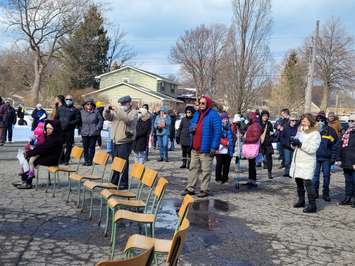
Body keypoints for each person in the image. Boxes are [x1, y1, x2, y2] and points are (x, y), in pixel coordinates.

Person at [181, 96, 221, 198]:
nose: (201, 105)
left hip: (206, 148)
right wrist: (192, 128)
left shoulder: (214, 115)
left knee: (205, 170)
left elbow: (217, 132)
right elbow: (191, 125)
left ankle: (204, 189)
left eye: (203, 103)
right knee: (193, 168)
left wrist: (214, 147)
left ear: (207, 104)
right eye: (200, 103)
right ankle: (190, 188)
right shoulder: (197, 114)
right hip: (195, 147)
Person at [17, 120, 63, 189]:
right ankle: (25, 180)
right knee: (28, 158)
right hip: (48, 155)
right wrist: (30, 151)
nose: (47, 130)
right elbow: (41, 147)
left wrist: (29, 153)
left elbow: (43, 149)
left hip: (52, 159)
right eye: (47, 128)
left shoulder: (55, 138)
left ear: (55, 129)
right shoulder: (50, 136)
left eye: (50, 128)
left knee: (30, 160)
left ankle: (27, 183)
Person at [104, 96, 138, 189]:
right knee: (116, 162)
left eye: (124, 104)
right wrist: (107, 111)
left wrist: (119, 110)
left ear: (129, 103)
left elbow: (127, 120)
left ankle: (124, 183)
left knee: (123, 162)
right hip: (115, 140)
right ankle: (114, 180)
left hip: (125, 140)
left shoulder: (133, 113)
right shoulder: (118, 112)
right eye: (121, 104)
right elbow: (108, 118)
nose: (122, 106)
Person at [290, 113, 321, 213]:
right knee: (298, 182)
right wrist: (293, 143)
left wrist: (301, 144)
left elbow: (313, 149)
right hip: (298, 161)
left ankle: (312, 205)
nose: (303, 121)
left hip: (307, 161)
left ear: (310, 121)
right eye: (302, 120)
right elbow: (295, 145)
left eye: (305, 120)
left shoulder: (315, 133)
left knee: (307, 183)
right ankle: (301, 200)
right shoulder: (300, 130)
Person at [312, 111, 338, 202]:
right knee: (315, 177)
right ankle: (315, 193)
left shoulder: (331, 131)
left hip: (326, 158)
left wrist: (333, 157)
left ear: (325, 120)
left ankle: (326, 193)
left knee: (326, 176)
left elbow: (335, 145)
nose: (320, 121)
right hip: (315, 157)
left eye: (322, 119)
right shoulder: (313, 130)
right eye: (318, 119)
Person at [54, 95, 81, 165]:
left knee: (69, 146)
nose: (68, 100)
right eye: (67, 99)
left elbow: (78, 120)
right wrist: (57, 124)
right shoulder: (60, 108)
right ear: (65, 100)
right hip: (60, 130)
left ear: (72, 101)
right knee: (59, 145)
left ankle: (66, 160)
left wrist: (70, 123)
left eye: (70, 99)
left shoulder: (75, 110)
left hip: (69, 131)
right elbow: (56, 118)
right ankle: (61, 159)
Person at [337, 114, 355, 207]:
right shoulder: (345, 132)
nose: (352, 123)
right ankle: (347, 198)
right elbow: (340, 146)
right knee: (348, 181)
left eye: (354, 121)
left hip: (353, 161)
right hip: (346, 160)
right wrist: (339, 158)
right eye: (350, 121)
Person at [80, 98, 103, 166]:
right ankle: (86, 160)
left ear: (93, 105)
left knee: (92, 147)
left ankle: (90, 161)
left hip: (93, 132)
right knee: (85, 147)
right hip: (84, 132)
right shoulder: (81, 112)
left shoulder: (96, 112)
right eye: (87, 104)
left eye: (91, 104)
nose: (89, 105)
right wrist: (80, 128)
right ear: (84, 105)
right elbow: (78, 120)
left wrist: (98, 127)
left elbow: (100, 120)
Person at [244, 112, 262, 188]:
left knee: (252, 165)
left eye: (248, 117)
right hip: (251, 146)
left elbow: (255, 138)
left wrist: (246, 139)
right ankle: (250, 179)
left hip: (253, 147)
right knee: (251, 165)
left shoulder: (255, 125)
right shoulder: (251, 125)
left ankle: (253, 181)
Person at [215, 112, 234, 184]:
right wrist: (225, 142)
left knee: (227, 164)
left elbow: (232, 139)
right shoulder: (218, 127)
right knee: (219, 164)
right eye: (224, 119)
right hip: (220, 149)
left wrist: (231, 151)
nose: (225, 120)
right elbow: (217, 137)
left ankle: (225, 178)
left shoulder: (230, 128)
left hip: (228, 149)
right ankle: (218, 178)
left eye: (226, 119)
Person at [279, 113, 299, 177]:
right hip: (287, 146)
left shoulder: (297, 128)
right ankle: (286, 172)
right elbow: (282, 137)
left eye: (295, 120)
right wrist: (288, 145)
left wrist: (295, 144)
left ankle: (291, 173)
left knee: (293, 161)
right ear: (290, 121)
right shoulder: (285, 127)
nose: (294, 122)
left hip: (294, 146)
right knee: (287, 161)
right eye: (293, 120)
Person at [259, 110, 274, 179]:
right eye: (264, 116)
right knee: (260, 157)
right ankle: (264, 162)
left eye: (266, 116)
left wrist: (270, 139)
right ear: (261, 116)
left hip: (268, 143)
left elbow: (272, 133)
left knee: (269, 157)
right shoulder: (258, 123)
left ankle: (269, 172)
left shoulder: (269, 124)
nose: (265, 117)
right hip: (260, 143)